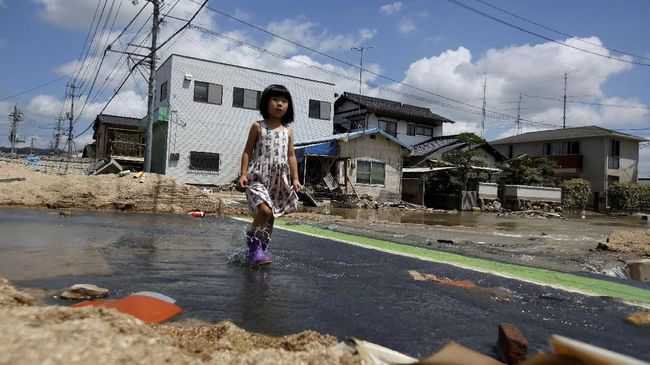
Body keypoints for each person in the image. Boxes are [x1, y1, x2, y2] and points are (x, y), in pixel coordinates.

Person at [238, 84, 301, 266]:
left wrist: (295, 178)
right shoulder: (258, 127)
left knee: (271, 216)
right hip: (258, 176)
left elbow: (291, 156)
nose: (279, 104)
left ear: (288, 106)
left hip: (278, 180)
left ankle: (261, 249)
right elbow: (247, 151)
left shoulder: (288, 132)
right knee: (264, 210)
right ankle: (253, 244)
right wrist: (243, 174)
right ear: (266, 102)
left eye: (284, 100)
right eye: (275, 99)